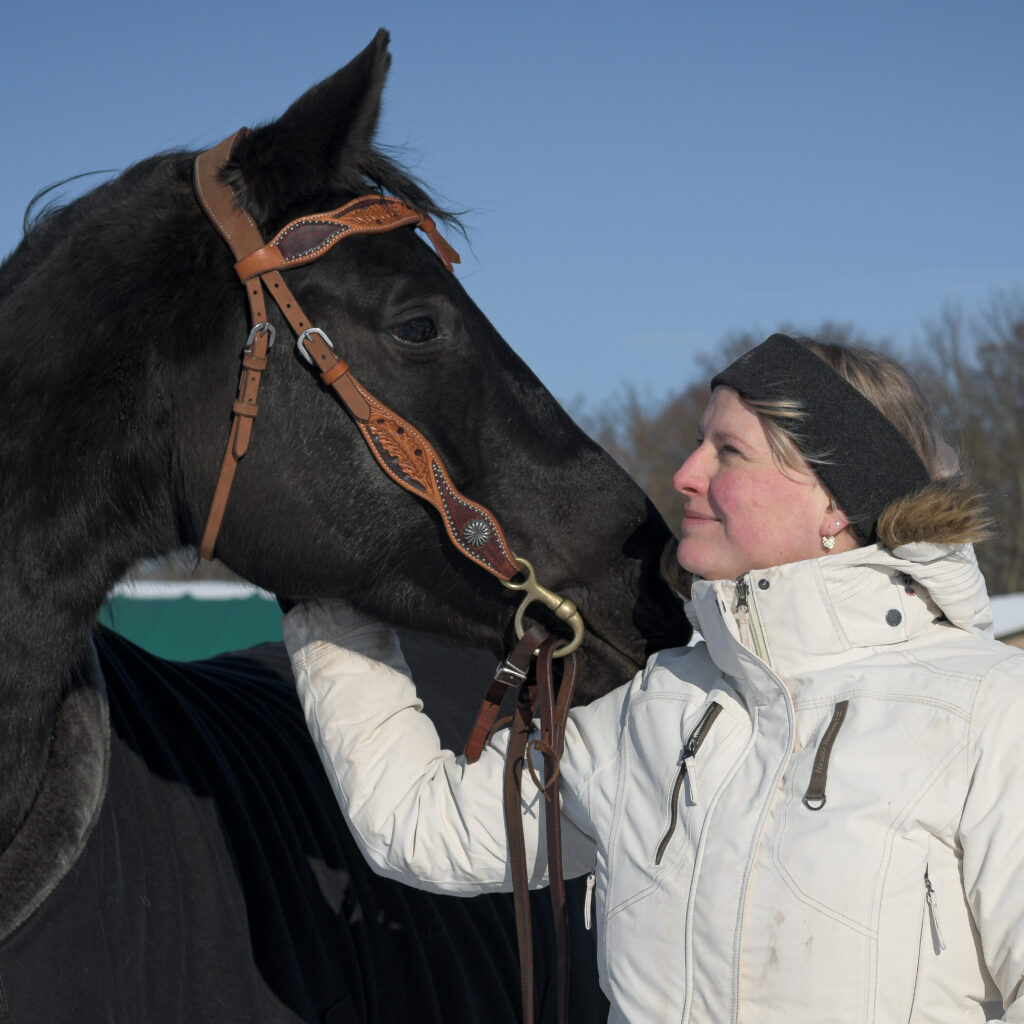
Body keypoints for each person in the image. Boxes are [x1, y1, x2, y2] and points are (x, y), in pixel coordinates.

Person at [282, 333, 1024, 1023]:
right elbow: (418, 826)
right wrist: (319, 585)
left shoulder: (989, 710)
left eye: (728, 452)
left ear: (834, 497)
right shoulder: (655, 711)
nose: (684, 474)